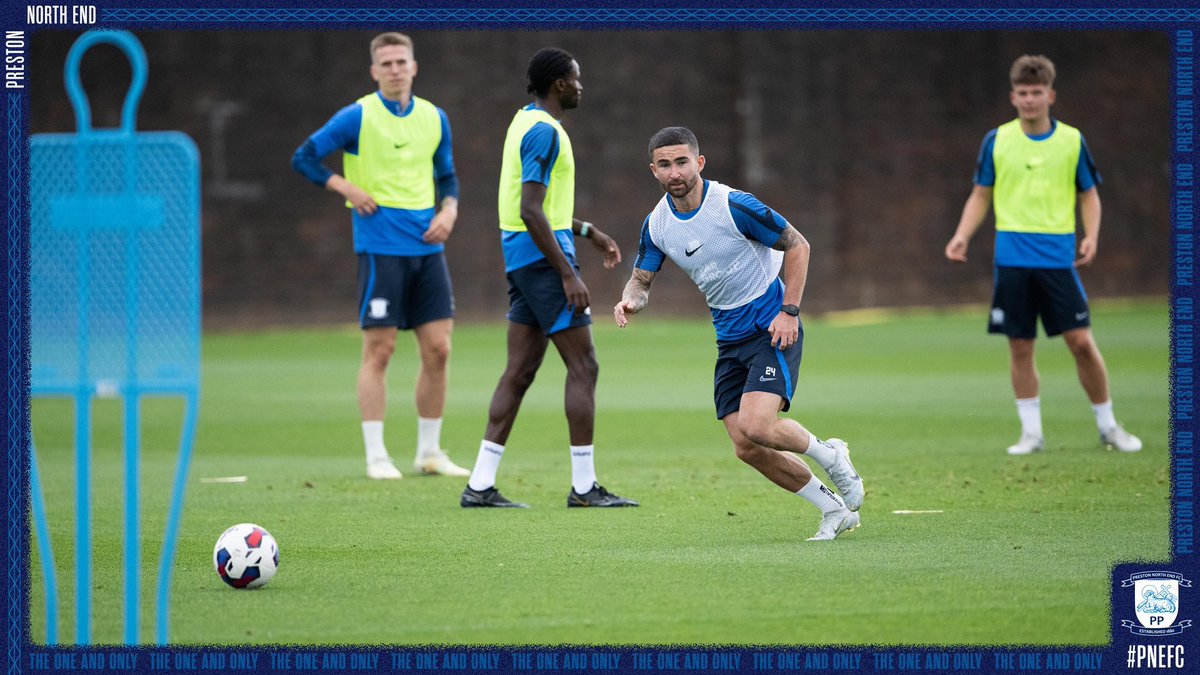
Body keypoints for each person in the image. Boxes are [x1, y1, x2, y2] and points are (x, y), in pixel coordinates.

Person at [613, 126, 864, 541]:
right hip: (729, 339)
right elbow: (641, 280)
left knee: (759, 425)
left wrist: (789, 312)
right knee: (746, 446)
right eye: (664, 164)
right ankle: (833, 509)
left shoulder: (732, 205)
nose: (675, 172)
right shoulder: (657, 224)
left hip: (772, 327)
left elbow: (798, 244)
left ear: (699, 162)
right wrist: (630, 300)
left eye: (682, 162)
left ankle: (831, 453)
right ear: (653, 170)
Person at [460, 47, 638, 508]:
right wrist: (567, 273)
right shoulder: (543, 132)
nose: (581, 86)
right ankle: (583, 489)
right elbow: (529, 209)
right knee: (585, 366)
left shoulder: (523, 121)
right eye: (576, 78)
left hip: (523, 258)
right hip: (543, 263)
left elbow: (543, 207)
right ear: (560, 84)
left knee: (519, 372)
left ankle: (479, 485)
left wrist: (587, 231)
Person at [292, 32, 470, 479]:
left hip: (428, 248)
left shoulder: (434, 117)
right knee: (381, 349)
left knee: (439, 349)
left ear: (414, 66)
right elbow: (305, 157)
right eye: (385, 63)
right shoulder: (357, 116)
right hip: (380, 247)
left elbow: (447, 175)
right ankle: (376, 456)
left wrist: (449, 211)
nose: (394, 69)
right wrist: (345, 186)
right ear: (374, 71)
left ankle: (429, 452)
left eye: (401, 62)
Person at [944, 54, 1142, 455]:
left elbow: (1089, 194)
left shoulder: (1071, 140)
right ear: (1013, 97)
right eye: (1022, 93)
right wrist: (962, 236)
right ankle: (1031, 434)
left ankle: (1108, 426)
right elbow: (981, 194)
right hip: (1012, 259)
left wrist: (1092, 236)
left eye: (1037, 92)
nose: (1030, 99)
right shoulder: (997, 140)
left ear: (1050, 95)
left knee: (1081, 342)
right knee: (1020, 344)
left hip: (1057, 259)